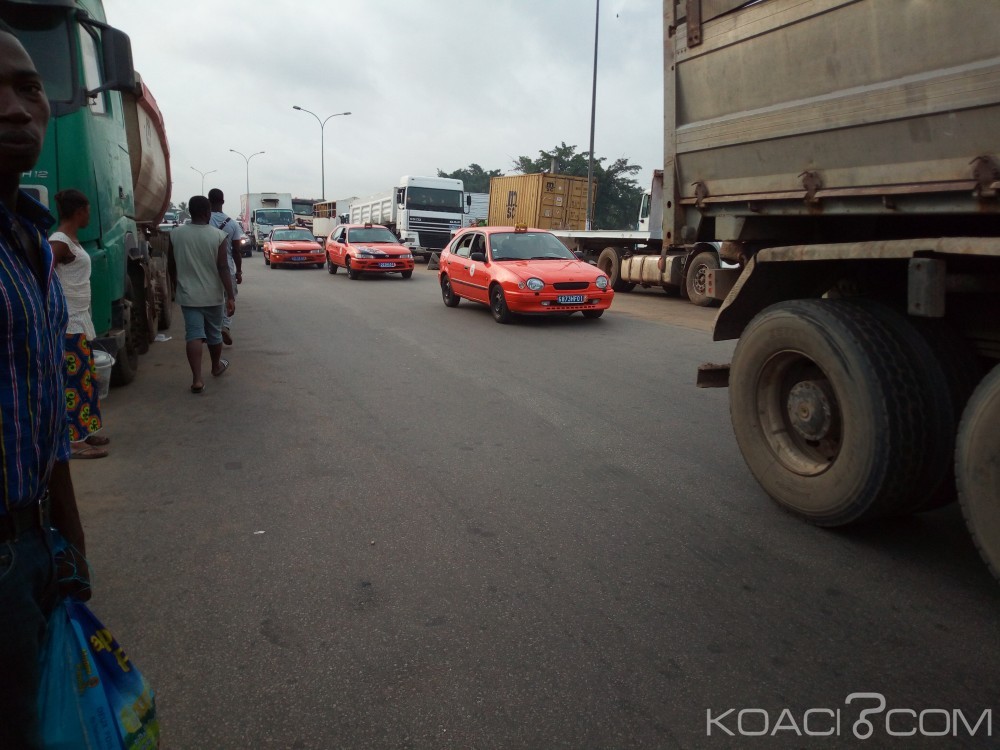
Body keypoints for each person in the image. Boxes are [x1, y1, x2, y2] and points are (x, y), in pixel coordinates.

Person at [0, 24, 90, 747]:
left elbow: (41, 412)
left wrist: (69, 538)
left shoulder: (28, 242)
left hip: (32, 545)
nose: (16, 109)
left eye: (29, 87)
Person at [50, 188, 109, 460]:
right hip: (68, 322)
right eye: (87, 210)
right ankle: (73, 442)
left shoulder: (71, 239)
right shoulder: (59, 240)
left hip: (79, 319)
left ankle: (85, 430)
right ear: (78, 211)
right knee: (74, 383)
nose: (89, 215)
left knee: (86, 378)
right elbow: (43, 275)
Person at [167, 195, 236, 393]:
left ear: (189, 211)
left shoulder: (176, 234)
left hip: (188, 295)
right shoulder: (218, 236)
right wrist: (230, 296)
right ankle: (215, 366)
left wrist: (175, 285)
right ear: (207, 213)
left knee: (194, 335)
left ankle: (197, 379)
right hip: (213, 295)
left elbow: (171, 265)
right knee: (214, 333)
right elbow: (223, 267)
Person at [208, 188, 244, 346]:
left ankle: (212, 329)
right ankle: (226, 326)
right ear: (223, 201)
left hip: (206, 267)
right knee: (229, 297)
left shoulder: (203, 221)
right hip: (227, 267)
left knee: (209, 299)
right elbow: (237, 251)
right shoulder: (232, 224)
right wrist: (239, 271)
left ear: (208, 201)